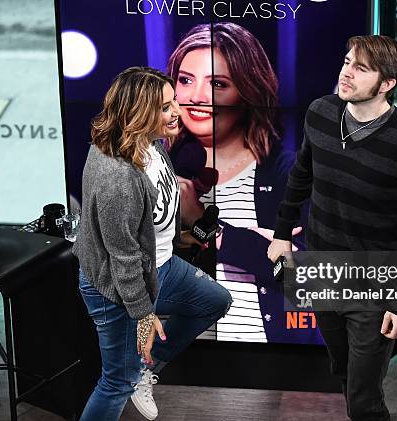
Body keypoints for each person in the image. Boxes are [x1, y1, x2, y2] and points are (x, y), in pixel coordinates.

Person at [267, 35, 397, 420]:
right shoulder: (320, 113)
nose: (346, 72)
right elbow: (302, 175)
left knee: (364, 400)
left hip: (375, 286)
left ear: (387, 83)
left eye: (361, 68)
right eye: (347, 62)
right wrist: (281, 234)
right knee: (345, 374)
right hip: (324, 273)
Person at [72, 66, 232, 421]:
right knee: (116, 382)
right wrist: (144, 316)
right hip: (118, 286)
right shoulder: (117, 176)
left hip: (159, 268)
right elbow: (123, 260)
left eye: (174, 100)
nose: (177, 111)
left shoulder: (150, 145)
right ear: (138, 113)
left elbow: (156, 211)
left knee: (215, 301)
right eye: (165, 107)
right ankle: (133, 374)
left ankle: (145, 366)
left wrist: (185, 234)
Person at [166, 22, 313, 344]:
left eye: (217, 83)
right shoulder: (156, 168)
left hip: (262, 357)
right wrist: (257, 246)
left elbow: (304, 279)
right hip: (172, 351)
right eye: (186, 80)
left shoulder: (287, 174)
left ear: (248, 91)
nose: (196, 97)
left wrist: (212, 230)